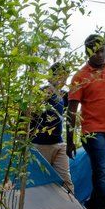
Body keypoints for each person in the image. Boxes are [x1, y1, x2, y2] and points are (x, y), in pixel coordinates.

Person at [67, 34, 105, 209]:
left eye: (103, 51)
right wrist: (69, 140)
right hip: (93, 131)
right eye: (95, 51)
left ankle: (91, 207)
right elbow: (72, 111)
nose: (100, 55)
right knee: (101, 171)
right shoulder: (80, 76)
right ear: (87, 52)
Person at [30, 62, 74, 193]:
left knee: (66, 181)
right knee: (40, 181)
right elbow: (29, 114)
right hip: (40, 144)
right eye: (59, 76)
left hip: (58, 143)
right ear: (50, 77)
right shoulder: (42, 92)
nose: (62, 80)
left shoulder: (63, 95)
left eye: (65, 77)